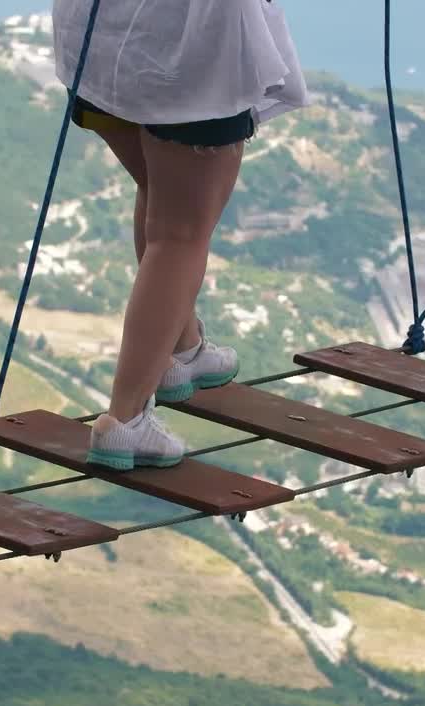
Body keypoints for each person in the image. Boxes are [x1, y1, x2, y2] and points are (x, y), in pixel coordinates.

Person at [52, 0, 309, 471]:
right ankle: (125, 422)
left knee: (160, 194)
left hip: (102, 40)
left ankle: (183, 351)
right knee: (181, 234)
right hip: (192, 52)